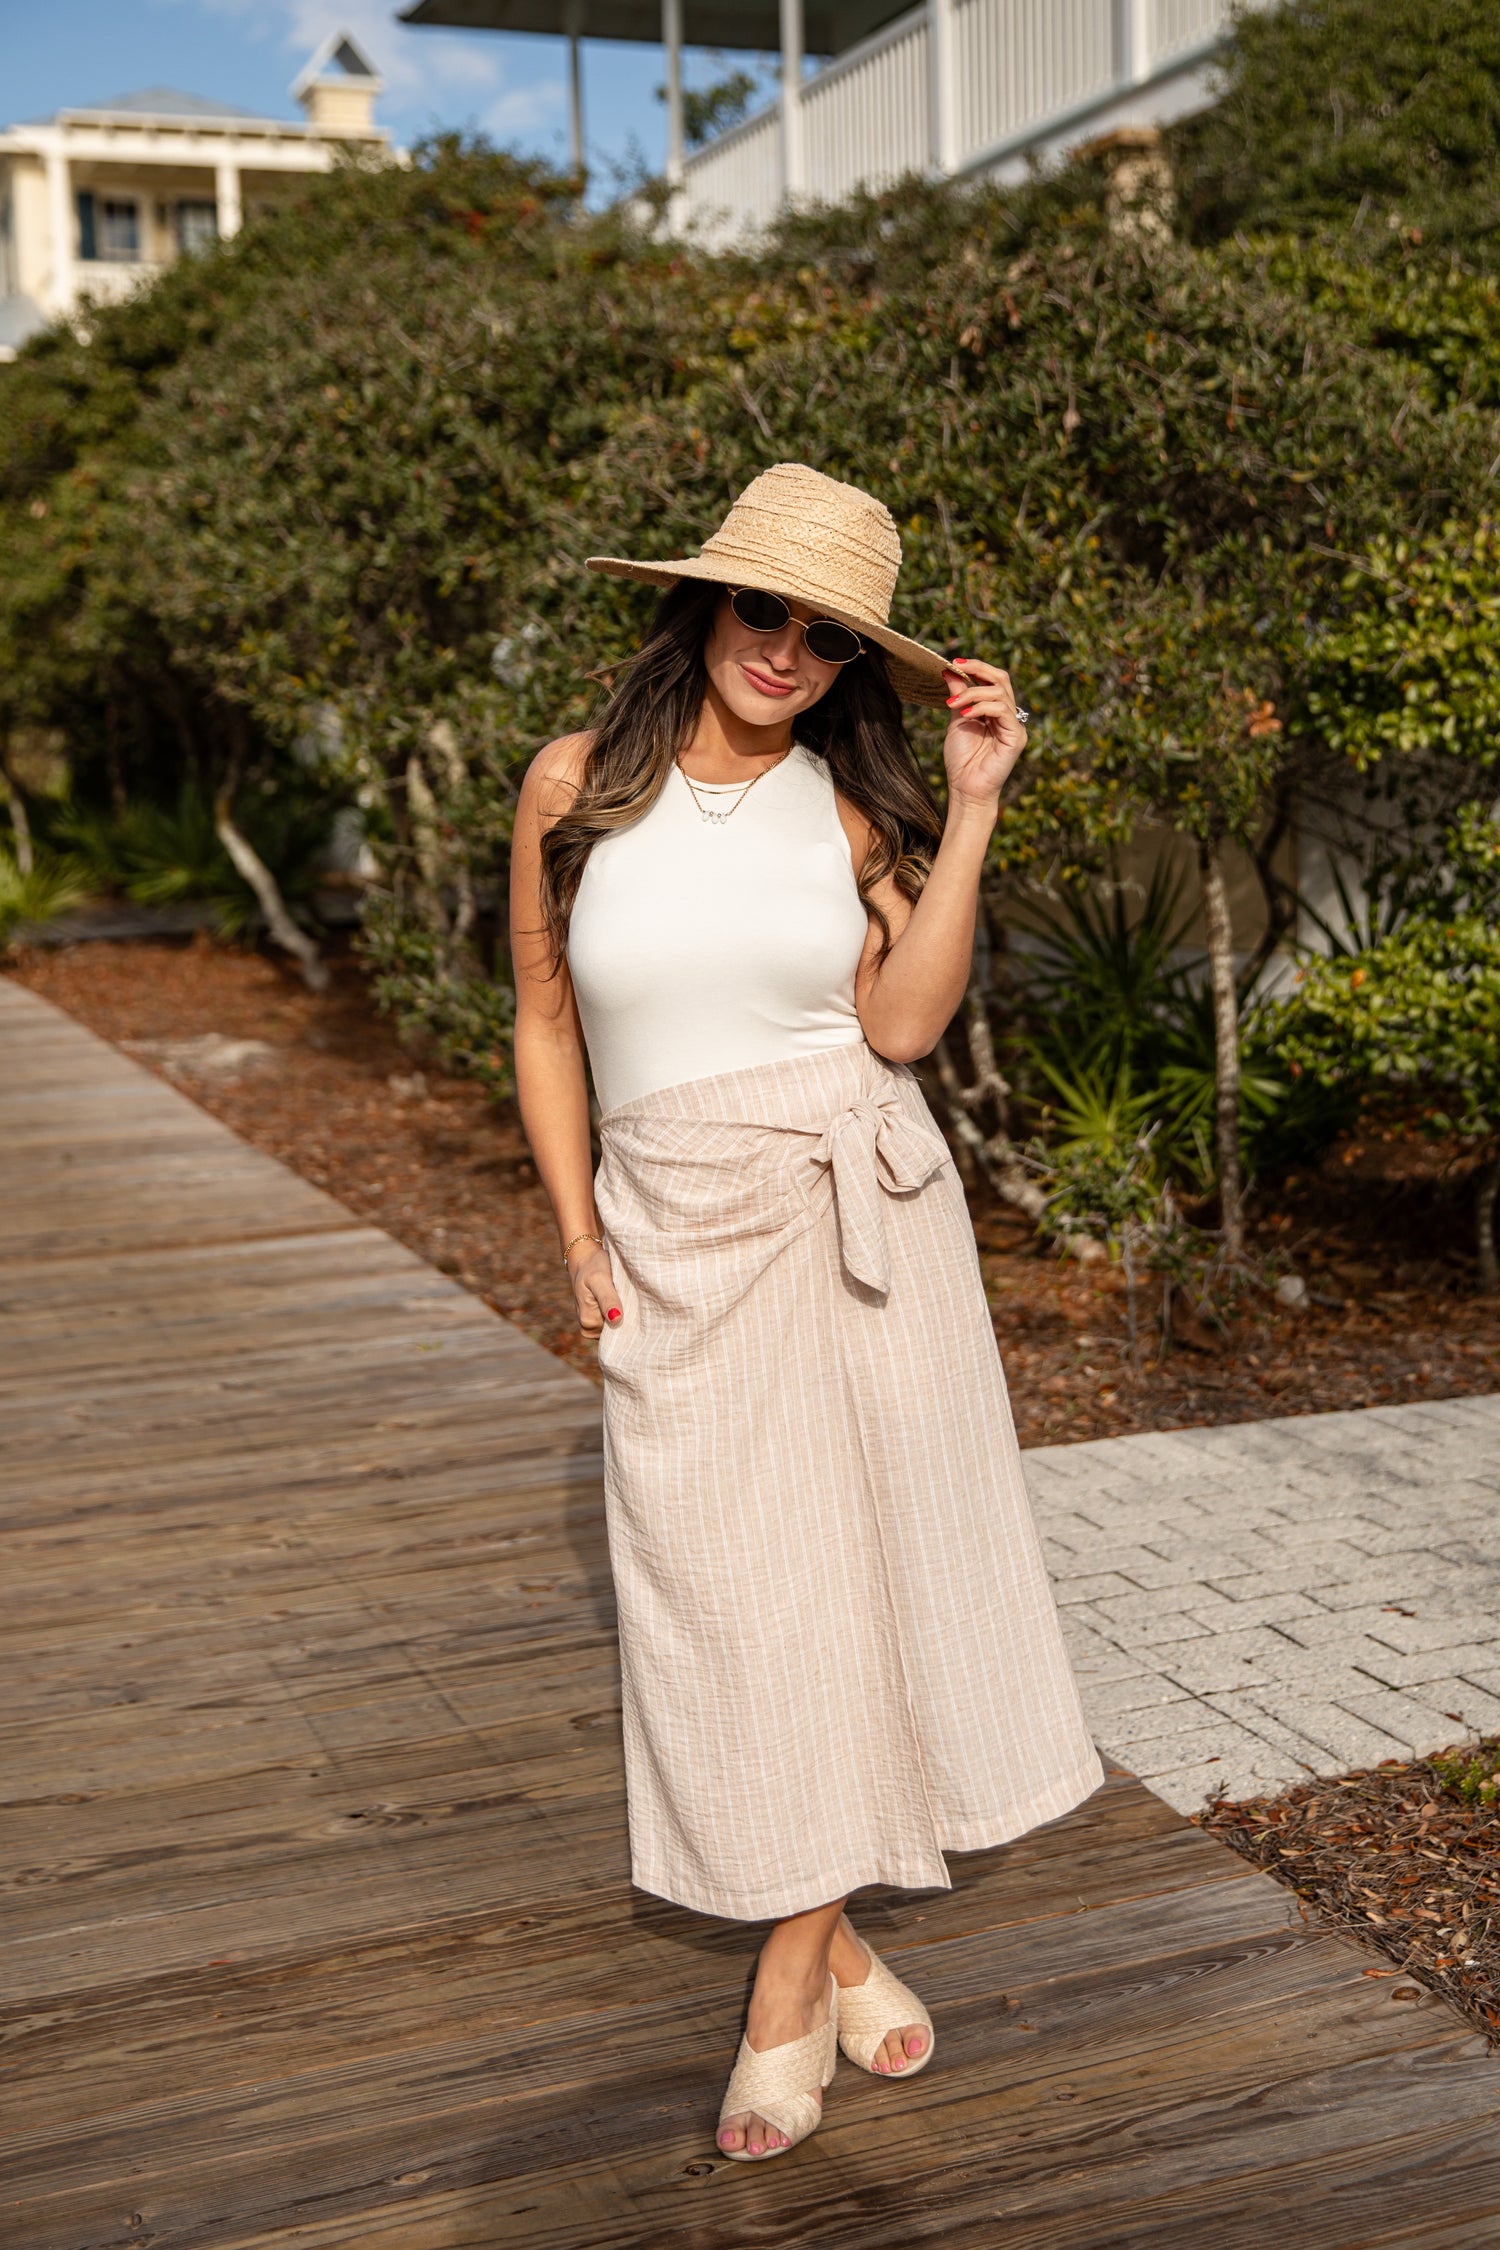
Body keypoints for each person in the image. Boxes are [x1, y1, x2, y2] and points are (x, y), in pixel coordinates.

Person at [509, 463, 1103, 2163]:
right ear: (703, 602)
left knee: (852, 1594)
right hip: (667, 1236)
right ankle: (838, 1933)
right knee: (720, 1604)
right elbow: (546, 1024)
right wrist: (570, 1232)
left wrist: (976, 802)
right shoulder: (572, 784)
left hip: (862, 1222)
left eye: (829, 636)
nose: (787, 651)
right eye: (763, 609)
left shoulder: (850, 813)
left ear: (855, 664)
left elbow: (905, 1028)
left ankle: (782, 1983)